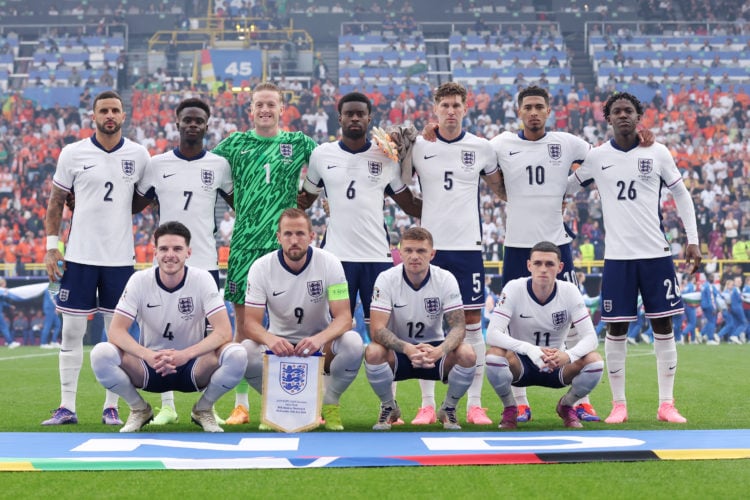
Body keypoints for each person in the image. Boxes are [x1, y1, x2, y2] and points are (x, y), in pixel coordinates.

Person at [570, 92, 702, 424]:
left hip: (656, 254)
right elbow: (568, 187)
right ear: (608, 118)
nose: (624, 115)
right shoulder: (597, 157)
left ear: (638, 116)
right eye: (617, 111)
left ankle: (666, 404)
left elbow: (681, 194)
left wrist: (693, 240)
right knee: (615, 328)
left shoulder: (656, 151)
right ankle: (619, 404)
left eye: (629, 110)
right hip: (617, 258)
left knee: (663, 325)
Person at [488, 85, 598, 423]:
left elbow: (599, 160)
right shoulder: (501, 143)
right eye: (528, 107)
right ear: (518, 111)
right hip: (517, 246)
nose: (534, 112)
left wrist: (567, 187)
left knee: (576, 324)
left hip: (555, 244)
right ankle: (520, 402)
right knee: (512, 323)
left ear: (548, 110)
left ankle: (581, 400)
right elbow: (475, 160)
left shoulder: (565, 142)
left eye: (539, 106)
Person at [212, 82, 318, 425]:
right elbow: (204, 172)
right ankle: (241, 405)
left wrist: (314, 199)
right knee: (244, 329)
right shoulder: (234, 144)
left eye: (271, 105)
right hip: (244, 244)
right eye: (259, 105)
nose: (265, 110)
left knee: (288, 324)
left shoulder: (298, 142)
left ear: (281, 109)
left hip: (285, 245)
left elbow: (329, 167)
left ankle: (302, 401)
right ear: (250, 110)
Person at [43, 90, 150, 426]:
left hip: (120, 259)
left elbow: (142, 199)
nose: (109, 115)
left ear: (123, 115)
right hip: (79, 256)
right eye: (103, 110)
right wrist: (50, 246)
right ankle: (67, 406)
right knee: (72, 331)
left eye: (115, 110)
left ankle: (111, 407)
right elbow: (56, 201)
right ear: (93, 115)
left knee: (116, 334)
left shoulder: (139, 154)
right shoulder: (73, 153)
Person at [89, 221, 246, 432]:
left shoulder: (203, 279)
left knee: (238, 354)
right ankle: (139, 409)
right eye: (163, 249)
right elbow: (116, 331)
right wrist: (147, 355)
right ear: (155, 252)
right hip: (149, 368)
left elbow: (224, 331)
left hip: (194, 367)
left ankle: (203, 408)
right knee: (100, 353)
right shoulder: (139, 280)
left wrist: (186, 355)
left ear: (188, 252)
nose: (170, 255)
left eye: (177, 249)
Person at [135, 97, 234, 425]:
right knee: (163, 332)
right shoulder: (156, 163)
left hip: (205, 261)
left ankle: (206, 405)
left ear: (207, 125)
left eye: (199, 120)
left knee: (209, 333)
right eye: (187, 120)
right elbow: (135, 202)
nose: (193, 125)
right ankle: (166, 405)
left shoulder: (219, 165)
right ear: (177, 123)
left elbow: (240, 202)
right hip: (165, 261)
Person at [411, 82, 504, 426]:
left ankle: (475, 404)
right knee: (426, 325)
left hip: (468, 248)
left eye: (456, 105)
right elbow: (397, 175)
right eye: (444, 105)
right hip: (430, 249)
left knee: (472, 326)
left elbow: (501, 189)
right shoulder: (418, 146)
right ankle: (426, 404)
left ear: (466, 109)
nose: (450, 111)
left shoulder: (482, 148)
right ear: (434, 109)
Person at [298, 92, 421, 343]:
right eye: (349, 114)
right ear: (339, 118)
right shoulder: (322, 154)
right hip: (335, 260)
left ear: (369, 118)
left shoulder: (386, 156)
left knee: (382, 335)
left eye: (360, 114)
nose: (354, 118)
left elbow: (410, 205)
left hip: (376, 259)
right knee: (331, 331)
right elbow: (305, 200)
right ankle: (329, 382)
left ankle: (388, 383)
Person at [241, 208, 363, 430]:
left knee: (354, 343)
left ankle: (330, 402)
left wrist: (318, 339)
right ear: (278, 237)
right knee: (246, 350)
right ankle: (274, 406)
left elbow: (344, 317)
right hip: (280, 347)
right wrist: (271, 339)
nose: (294, 240)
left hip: (321, 346)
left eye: (300, 234)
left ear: (311, 236)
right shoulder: (261, 267)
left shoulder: (330, 263)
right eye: (288, 234)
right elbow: (250, 323)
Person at [364, 226, 476, 430]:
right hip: (400, 350)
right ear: (400, 253)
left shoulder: (445, 279)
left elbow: (459, 327)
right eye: (408, 250)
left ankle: (448, 408)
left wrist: (440, 350)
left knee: (468, 353)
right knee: (372, 351)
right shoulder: (387, 278)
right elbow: (377, 329)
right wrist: (407, 348)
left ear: (432, 254)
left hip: (434, 350)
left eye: (421, 251)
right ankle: (389, 407)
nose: (414, 256)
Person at [485, 241, 604, 429]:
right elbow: (492, 334)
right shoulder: (514, 288)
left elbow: (591, 337)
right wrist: (530, 349)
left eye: (549, 264)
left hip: (556, 364)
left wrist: (568, 355)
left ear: (560, 267)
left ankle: (566, 405)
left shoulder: (570, 291)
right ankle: (511, 408)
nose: (543, 269)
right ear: (529, 266)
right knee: (493, 355)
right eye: (538, 263)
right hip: (521, 364)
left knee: (595, 361)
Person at [0, 278, 21, 349]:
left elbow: (2, 302)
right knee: (4, 327)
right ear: (2, 284)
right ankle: (10, 342)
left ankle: (9, 341)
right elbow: (5, 294)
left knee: (4, 327)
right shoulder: (1, 291)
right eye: (5, 283)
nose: (6, 285)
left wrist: (10, 306)